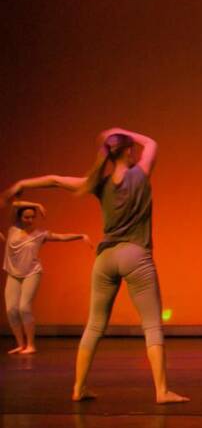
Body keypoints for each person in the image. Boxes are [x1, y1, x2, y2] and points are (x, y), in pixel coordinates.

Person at [3, 128, 188, 403]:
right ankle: (161, 391)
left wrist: (23, 184)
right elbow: (151, 141)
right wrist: (120, 131)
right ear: (128, 151)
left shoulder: (97, 183)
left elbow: (55, 180)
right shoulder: (141, 173)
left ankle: (79, 387)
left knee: (94, 326)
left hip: (105, 259)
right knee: (152, 326)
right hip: (135, 255)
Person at [3, 201, 90, 354]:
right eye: (26, 217)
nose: (29, 220)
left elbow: (61, 237)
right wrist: (36, 204)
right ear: (20, 218)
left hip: (32, 273)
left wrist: (80, 235)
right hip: (13, 273)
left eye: (32, 217)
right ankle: (20, 344)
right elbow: (15, 203)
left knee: (24, 307)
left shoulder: (39, 234)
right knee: (11, 310)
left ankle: (31, 345)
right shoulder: (12, 229)